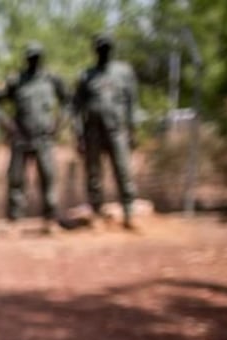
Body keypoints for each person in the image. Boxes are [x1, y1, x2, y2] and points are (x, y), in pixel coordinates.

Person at [0, 42, 70, 232]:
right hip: (21, 139)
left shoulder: (52, 80)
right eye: (30, 57)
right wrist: (8, 125)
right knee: (16, 180)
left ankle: (51, 220)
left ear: (41, 58)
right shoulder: (16, 81)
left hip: (44, 138)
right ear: (26, 59)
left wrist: (59, 124)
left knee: (48, 177)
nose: (33, 60)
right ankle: (15, 221)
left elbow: (68, 102)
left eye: (36, 56)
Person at [73, 32, 139, 228]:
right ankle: (96, 212)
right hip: (92, 132)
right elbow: (76, 107)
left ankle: (129, 213)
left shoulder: (124, 72)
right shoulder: (86, 75)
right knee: (94, 173)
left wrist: (133, 129)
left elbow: (132, 103)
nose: (103, 51)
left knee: (123, 170)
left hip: (117, 131)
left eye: (107, 47)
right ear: (95, 50)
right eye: (100, 47)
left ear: (111, 49)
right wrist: (79, 134)